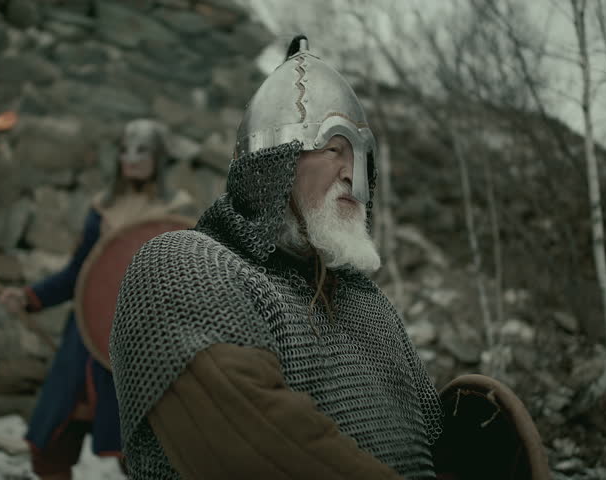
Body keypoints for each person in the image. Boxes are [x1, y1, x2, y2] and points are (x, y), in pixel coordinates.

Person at [109, 36, 443, 479]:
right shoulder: (183, 266)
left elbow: (437, 448)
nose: (353, 175)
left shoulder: (371, 306)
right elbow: (250, 439)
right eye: (334, 148)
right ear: (271, 163)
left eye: (362, 158)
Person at [0, 118, 193, 480]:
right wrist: (29, 297)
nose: (131, 158)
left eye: (142, 151)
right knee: (52, 441)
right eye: (124, 150)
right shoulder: (102, 208)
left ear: (159, 158)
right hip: (87, 339)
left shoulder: (177, 213)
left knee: (141, 450)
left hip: (141, 347)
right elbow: (80, 274)